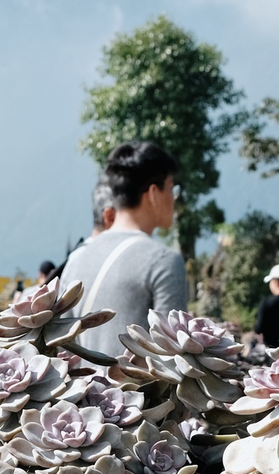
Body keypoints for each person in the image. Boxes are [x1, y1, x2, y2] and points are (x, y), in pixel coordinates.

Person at [58, 141, 187, 358]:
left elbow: (60, 345)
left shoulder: (77, 258)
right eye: (171, 188)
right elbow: (172, 357)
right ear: (154, 193)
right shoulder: (164, 261)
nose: (174, 199)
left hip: (83, 391)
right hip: (137, 393)